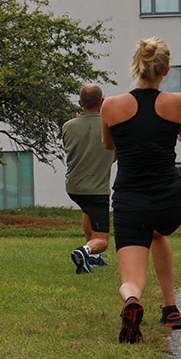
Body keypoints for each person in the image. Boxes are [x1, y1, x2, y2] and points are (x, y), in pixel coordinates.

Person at [101, 37, 181, 343]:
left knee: (132, 280)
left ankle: (132, 302)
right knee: (158, 233)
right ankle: (170, 308)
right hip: (170, 200)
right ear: (165, 70)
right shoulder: (177, 102)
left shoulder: (111, 106)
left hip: (131, 201)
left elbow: (108, 145)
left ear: (135, 65)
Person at [62, 84, 115, 274]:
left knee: (88, 211)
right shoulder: (110, 125)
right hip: (97, 190)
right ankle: (84, 251)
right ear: (102, 101)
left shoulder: (68, 126)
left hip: (74, 187)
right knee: (102, 240)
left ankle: (92, 259)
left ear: (80, 103)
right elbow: (114, 155)